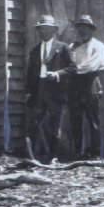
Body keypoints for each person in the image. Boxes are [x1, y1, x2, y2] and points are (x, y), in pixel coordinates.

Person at [59, 15, 104, 160]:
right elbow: (66, 64)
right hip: (74, 85)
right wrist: (70, 70)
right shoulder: (72, 46)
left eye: (85, 28)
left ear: (91, 29)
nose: (82, 31)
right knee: (75, 119)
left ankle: (95, 153)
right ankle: (77, 152)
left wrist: (73, 69)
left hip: (90, 82)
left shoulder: (98, 46)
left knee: (93, 118)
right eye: (80, 28)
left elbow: (91, 65)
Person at [25, 15, 72, 163]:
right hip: (38, 91)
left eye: (47, 29)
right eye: (41, 29)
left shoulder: (62, 47)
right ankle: (34, 157)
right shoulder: (34, 50)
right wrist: (28, 93)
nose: (44, 32)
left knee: (54, 124)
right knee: (33, 124)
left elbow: (72, 69)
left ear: (53, 31)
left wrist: (57, 74)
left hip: (55, 91)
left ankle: (53, 156)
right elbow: (30, 74)